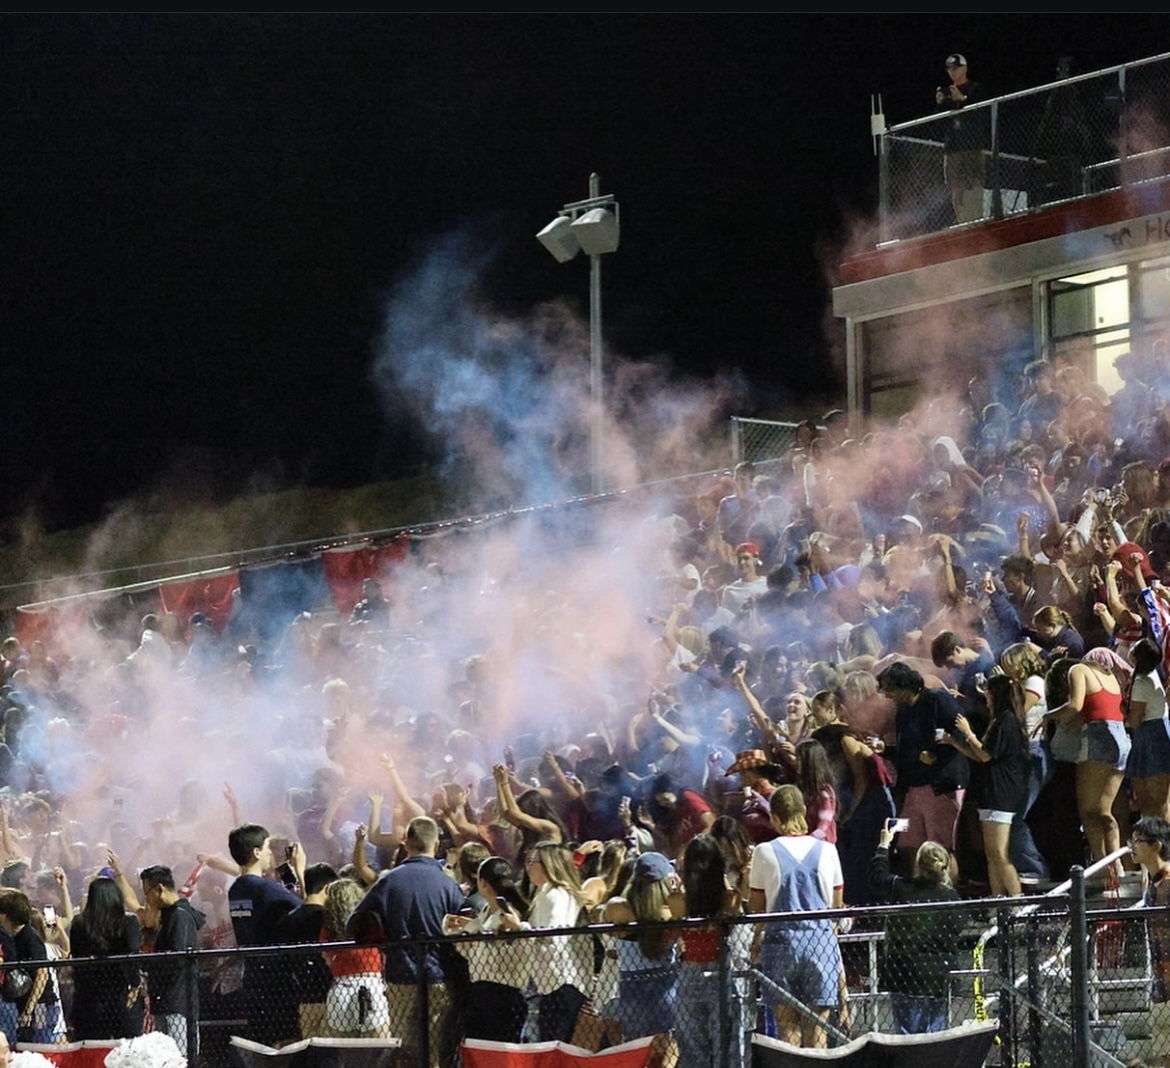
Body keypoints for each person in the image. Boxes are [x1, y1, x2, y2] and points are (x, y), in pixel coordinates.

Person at [347, 816, 465, 1068]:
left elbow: (354, 924)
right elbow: (467, 924)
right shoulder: (448, 883)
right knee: (435, 1048)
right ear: (435, 845)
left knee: (405, 1051)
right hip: (439, 974)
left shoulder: (389, 880)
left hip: (400, 974)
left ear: (406, 843)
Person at [749, 784, 845, 1049]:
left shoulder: (763, 852)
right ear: (803, 811)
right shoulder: (828, 850)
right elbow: (836, 907)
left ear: (774, 817)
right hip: (821, 945)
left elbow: (757, 909)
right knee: (818, 1028)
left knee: (787, 1028)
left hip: (781, 946)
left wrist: (755, 941)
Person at [1038, 657, 1130, 874]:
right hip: (1122, 740)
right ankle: (1116, 864)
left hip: (1098, 739)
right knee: (1104, 810)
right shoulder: (1109, 676)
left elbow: (1075, 705)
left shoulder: (1077, 670)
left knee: (1088, 812)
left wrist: (1048, 716)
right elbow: (1100, 707)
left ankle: (1101, 868)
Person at [868, 821, 962, 1033]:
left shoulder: (903, 889)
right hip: (940, 975)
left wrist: (884, 845)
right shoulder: (951, 898)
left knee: (909, 1037)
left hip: (905, 973)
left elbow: (877, 876)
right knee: (936, 1037)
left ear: (918, 864)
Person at [877, 662, 971, 857]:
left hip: (940, 786)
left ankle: (946, 886)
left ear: (904, 686)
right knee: (908, 845)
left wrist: (936, 757)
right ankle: (917, 885)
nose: (887, 696)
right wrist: (886, 750)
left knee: (941, 847)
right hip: (913, 788)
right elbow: (908, 751)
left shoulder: (937, 700)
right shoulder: (902, 711)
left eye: (889, 690)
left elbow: (962, 737)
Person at [502, 841, 592, 1043]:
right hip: (553, 982)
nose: (528, 866)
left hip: (561, 982)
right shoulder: (545, 894)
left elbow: (553, 937)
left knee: (554, 1045)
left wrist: (519, 928)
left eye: (533, 861)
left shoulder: (556, 895)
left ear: (549, 865)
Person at [949, 675, 1029, 896]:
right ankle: (998, 902)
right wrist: (955, 743)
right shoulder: (1000, 720)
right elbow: (980, 755)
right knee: (991, 855)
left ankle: (1016, 903)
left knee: (999, 853)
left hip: (1001, 792)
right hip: (991, 791)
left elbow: (985, 754)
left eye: (988, 693)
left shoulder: (1006, 720)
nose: (986, 697)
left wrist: (967, 732)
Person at [227, 824, 306, 1045]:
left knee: (263, 1043)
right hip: (277, 981)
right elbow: (308, 910)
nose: (271, 852)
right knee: (287, 1042)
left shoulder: (236, 889)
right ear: (256, 853)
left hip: (252, 976)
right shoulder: (263, 888)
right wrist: (300, 871)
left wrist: (284, 871)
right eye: (268, 847)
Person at [444, 856, 530, 1044]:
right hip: (483, 990)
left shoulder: (508, 915)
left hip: (503, 993)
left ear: (482, 882)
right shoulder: (486, 912)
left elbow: (509, 957)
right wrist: (463, 934)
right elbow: (475, 955)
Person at [601, 851, 680, 1055]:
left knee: (636, 1049)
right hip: (665, 984)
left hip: (631, 987)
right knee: (667, 1048)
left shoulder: (619, 907)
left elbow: (608, 915)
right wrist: (677, 891)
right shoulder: (670, 910)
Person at [140, 865, 206, 1059]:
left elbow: (176, 960)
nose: (147, 899)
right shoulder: (170, 916)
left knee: (178, 1058)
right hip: (167, 1001)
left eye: (147, 893)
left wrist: (148, 964)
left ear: (159, 888)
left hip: (177, 1003)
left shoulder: (179, 916)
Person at [321, 879, 391, 1038]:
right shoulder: (369, 923)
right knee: (379, 1050)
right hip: (371, 985)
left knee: (345, 1054)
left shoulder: (329, 928)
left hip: (341, 987)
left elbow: (327, 957)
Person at [0, 889, 59, 1044]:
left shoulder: (30, 937)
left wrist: (29, 1008)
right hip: (23, 1001)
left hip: (41, 1004)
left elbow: (42, 973)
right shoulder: (10, 938)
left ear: (6, 916)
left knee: (40, 1041)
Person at [936, 53, 986, 223]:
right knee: (955, 186)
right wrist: (941, 103)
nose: (952, 72)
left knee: (975, 180)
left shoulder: (975, 88)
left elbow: (980, 112)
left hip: (972, 144)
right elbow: (941, 122)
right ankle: (962, 221)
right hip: (953, 147)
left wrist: (962, 100)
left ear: (964, 68)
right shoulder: (948, 91)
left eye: (955, 68)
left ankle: (977, 216)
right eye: (949, 69)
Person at [1125, 638, 1170, 820]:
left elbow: (1135, 720)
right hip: (1158, 734)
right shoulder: (1153, 677)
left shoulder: (1143, 683)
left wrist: (1124, 714)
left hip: (1150, 739)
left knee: (1156, 804)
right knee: (1155, 803)